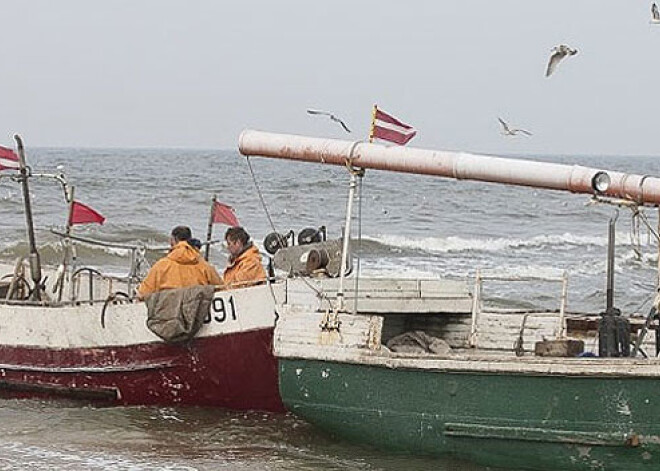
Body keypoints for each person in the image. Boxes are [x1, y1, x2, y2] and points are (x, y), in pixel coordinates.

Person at [137, 226, 222, 299]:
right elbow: (221, 289)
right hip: (197, 312)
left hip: (169, 313)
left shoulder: (161, 266)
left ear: (173, 241)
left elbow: (143, 294)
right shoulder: (205, 267)